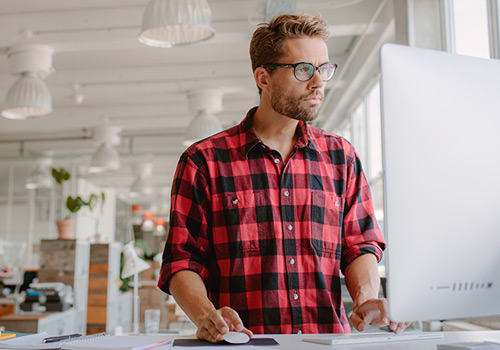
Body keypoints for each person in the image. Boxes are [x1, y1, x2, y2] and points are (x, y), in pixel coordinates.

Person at [158, 13, 410, 342]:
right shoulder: (204, 161)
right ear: (263, 77)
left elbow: (359, 244)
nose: (318, 82)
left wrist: (365, 299)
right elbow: (182, 259)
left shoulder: (341, 158)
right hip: (242, 345)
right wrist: (207, 316)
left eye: (324, 69)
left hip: (326, 344)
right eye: (303, 69)